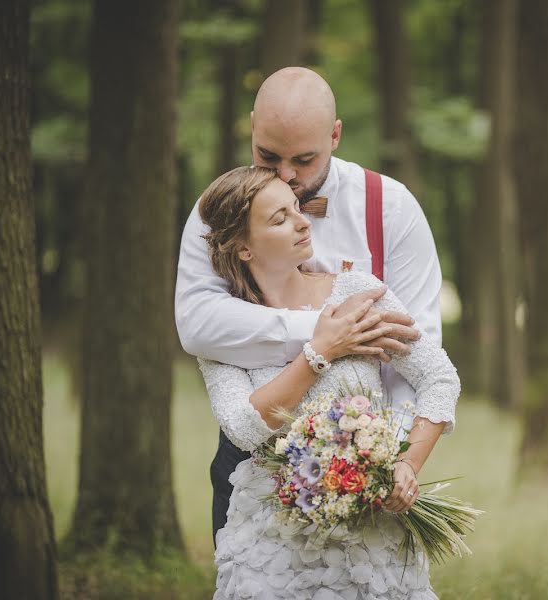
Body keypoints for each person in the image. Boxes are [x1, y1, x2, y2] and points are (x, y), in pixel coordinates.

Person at [174, 67, 445, 541]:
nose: (285, 175)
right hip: (251, 462)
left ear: (336, 135)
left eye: (303, 158)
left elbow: (418, 349)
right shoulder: (217, 212)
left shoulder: (392, 208)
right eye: (268, 155)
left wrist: (385, 458)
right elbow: (199, 325)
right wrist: (328, 335)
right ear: (252, 124)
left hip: (368, 460)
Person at [196, 166, 458, 599]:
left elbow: (439, 378)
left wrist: (407, 465)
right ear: (243, 248)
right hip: (272, 543)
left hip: (369, 535)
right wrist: (319, 353)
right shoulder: (222, 329)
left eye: (296, 208)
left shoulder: (356, 292)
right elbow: (242, 427)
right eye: (279, 219)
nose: (302, 222)